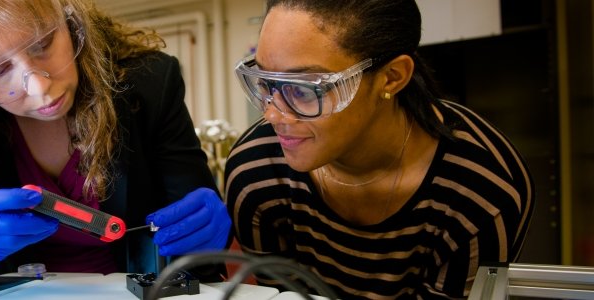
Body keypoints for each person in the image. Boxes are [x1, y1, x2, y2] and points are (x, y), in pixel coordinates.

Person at [0, 0, 231, 295]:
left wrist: (208, 239)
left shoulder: (150, 84)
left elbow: (202, 255)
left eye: (43, 44)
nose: (39, 86)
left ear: (70, 23)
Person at [224, 0, 535, 298]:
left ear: (391, 78)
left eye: (304, 90)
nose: (273, 115)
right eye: (265, 82)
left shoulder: (481, 190)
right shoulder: (257, 171)